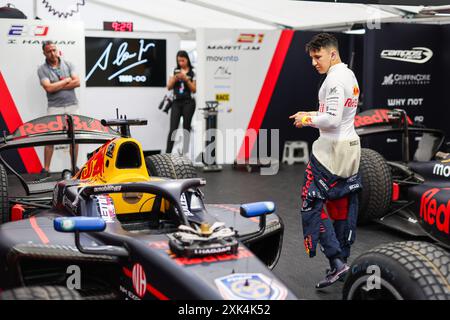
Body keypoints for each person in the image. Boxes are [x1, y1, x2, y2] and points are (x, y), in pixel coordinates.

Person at [289, 33, 362, 289]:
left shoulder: (333, 80)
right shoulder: (349, 75)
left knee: (312, 205)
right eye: (311, 57)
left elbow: (330, 120)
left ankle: (337, 261)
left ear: (332, 53)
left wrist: (306, 120)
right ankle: (340, 262)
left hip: (331, 151)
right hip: (351, 148)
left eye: (317, 57)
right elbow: (339, 116)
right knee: (341, 204)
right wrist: (309, 113)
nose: (313, 63)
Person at [38, 40, 80, 176]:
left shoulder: (68, 64)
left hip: (72, 105)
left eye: (54, 50)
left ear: (57, 50)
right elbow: (48, 88)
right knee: (50, 138)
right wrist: (67, 80)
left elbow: (77, 82)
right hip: (54, 108)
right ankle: (46, 169)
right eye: (49, 51)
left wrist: (57, 84)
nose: (52, 53)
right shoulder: (42, 69)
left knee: (75, 138)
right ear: (44, 52)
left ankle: (74, 167)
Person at [165, 50, 196, 155]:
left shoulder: (193, 71)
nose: (181, 63)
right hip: (176, 102)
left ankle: (185, 153)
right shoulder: (174, 71)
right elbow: (169, 87)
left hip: (188, 102)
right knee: (173, 129)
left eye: (183, 60)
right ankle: (167, 154)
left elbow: (194, 89)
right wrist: (175, 78)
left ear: (187, 59)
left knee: (186, 128)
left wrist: (186, 79)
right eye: (179, 61)